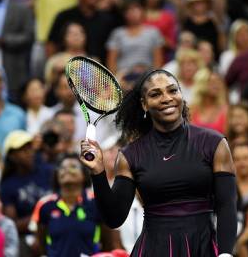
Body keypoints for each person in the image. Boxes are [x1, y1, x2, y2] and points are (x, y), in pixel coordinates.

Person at [80, 69, 237, 256]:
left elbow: (227, 204)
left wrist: (226, 253)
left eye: (173, 90)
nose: (166, 98)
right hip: (153, 249)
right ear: (144, 104)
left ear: (181, 95)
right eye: (155, 94)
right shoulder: (130, 155)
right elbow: (114, 218)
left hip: (203, 247)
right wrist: (98, 173)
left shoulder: (214, 143)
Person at [36, 154, 114, 256]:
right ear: (57, 175)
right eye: (62, 168)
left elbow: (108, 243)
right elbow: (41, 245)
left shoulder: (97, 203)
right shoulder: (45, 205)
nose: (67, 170)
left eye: (73, 167)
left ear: (83, 174)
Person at [0, 130, 53, 256]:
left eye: (30, 148)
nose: (29, 153)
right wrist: (40, 219)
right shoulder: (7, 185)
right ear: (12, 156)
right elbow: (12, 225)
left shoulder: (48, 171)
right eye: (23, 150)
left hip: (56, 227)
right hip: (26, 237)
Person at [48, 0, 120, 62]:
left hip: (100, 69)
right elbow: (51, 44)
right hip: (68, 67)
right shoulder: (64, 17)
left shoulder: (108, 19)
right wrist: (53, 64)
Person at [106, 0, 164, 75]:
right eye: (129, 10)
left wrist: (155, 78)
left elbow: (158, 61)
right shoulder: (117, 33)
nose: (132, 13)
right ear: (124, 14)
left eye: (135, 9)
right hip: (123, 77)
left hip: (147, 76)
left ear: (142, 11)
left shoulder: (153, 32)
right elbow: (111, 62)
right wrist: (116, 80)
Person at [190, 69, 228, 134]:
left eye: (218, 82)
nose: (217, 85)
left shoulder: (226, 110)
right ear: (202, 84)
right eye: (212, 82)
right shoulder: (191, 110)